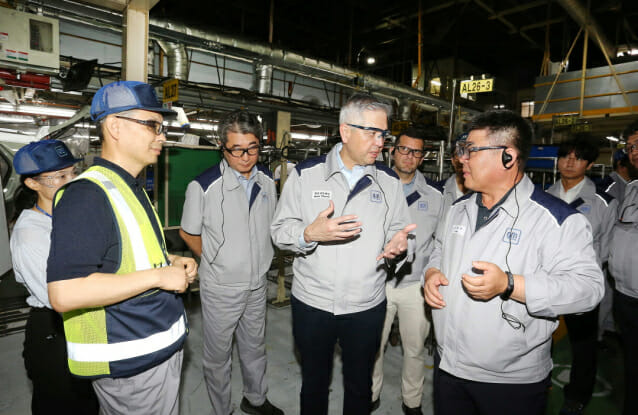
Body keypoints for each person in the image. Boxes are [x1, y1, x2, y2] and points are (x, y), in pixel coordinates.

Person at [423, 110, 604, 415]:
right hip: (449, 366)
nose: (461, 159)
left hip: (509, 381)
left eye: (471, 150)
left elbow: (588, 290)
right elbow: (439, 249)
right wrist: (432, 271)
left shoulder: (556, 220)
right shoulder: (458, 209)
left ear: (507, 156)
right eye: (461, 150)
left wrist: (510, 284)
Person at [47, 80, 198, 415]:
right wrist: (159, 277)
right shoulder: (86, 195)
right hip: (131, 362)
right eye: (152, 125)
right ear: (114, 126)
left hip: (154, 350)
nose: (161, 136)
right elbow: (65, 293)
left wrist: (172, 261)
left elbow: (125, 257)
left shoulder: (130, 187)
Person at [271, 92, 416, 415]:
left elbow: (406, 233)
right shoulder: (306, 175)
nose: (381, 142)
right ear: (345, 131)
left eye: (384, 134)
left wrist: (400, 248)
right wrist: (309, 234)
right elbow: (279, 231)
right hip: (313, 303)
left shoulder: (389, 182)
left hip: (366, 305)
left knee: (359, 384)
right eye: (372, 133)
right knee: (314, 383)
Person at [179, 110, 283, 415]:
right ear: (222, 148)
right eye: (236, 149)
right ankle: (222, 409)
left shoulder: (266, 180)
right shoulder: (203, 186)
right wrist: (216, 260)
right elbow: (188, 231)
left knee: (254, 347)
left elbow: (272, 225)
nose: (246, 156)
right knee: (218, 355)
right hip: (222, 287)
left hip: (256, 284)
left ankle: (255, 398)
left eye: (252, 147)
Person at [10, 140, 99, 414]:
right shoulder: (31, 234)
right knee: (62, 402)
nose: (71, 181)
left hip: (86, 319)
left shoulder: (72, 214)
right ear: (33, 184)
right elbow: (61, 295)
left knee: (89, 402)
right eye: (60, 176)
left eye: (73, 172)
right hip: (54, 330)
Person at [370, 126, 443, 415]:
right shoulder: (374, 187)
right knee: (373, 347)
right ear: (392, 150)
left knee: (414, 349)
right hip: (378, 282)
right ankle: (370, 394)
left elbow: (441, 242)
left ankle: (411, 402)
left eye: (415, 152)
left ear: (422, 157)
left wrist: (432, 274)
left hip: (415, 286)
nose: (408, 156)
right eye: (403, 149)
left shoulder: (436, 196)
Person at [546, 136, 617, 415]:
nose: (569, 161)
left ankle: (577, 396)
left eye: (577, 157)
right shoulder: (545, 196)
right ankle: (541, 382)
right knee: (541, 337)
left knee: (583, 345)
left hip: (581, 284)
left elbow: (607, 246)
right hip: (548, 280)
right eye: (565, 155)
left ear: (588, 164)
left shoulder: (603, 202)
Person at [608, 120, 638, 415]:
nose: (634, 151)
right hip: (626, 298)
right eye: (630, 147)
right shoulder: (632, 189)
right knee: (631, 367)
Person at [441, 132, 469, 215]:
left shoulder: (485, 195)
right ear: (453, 160)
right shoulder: (438, 192)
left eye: (469, 153)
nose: (463, 160)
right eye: (459, 154)